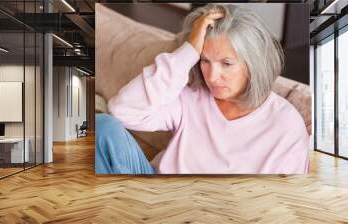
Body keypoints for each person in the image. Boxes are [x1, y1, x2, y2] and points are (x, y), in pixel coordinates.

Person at [95, 3, 310, 174]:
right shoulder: (190, 96)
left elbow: (285, 201)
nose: (212, 77)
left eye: (226, 63)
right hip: (154, 197)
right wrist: (188, 51)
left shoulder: (286, 126)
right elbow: (122, 112)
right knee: (102, 126)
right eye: (204, 60)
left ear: (255, 64)